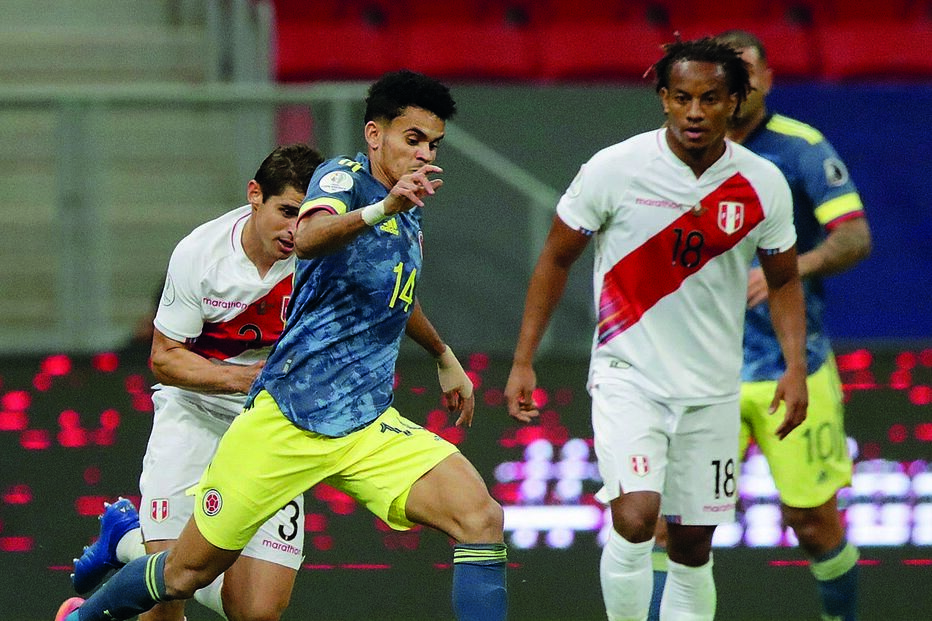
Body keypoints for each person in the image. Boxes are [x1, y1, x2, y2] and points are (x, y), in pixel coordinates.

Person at [55, 69, 507, 621]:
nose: (423, 154)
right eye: (412, 139)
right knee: (182, 574)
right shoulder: (343, 180)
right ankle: (91, 605)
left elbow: (391, 294)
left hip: (363, 425)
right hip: (285, 420)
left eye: (432, 145)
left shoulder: (405, 212)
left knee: (480, 517)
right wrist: (383, 207)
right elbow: (313, 239)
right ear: (374, 135)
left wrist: (444, 357)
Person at [505, 37, 808, 621]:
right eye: (682, 97)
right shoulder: (614, 168)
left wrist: (795, 367)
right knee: (637, 515)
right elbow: (556, 257)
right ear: (664, 100)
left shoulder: (763, 183)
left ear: (735, 102)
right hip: (629, 377)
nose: (695, 112)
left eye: (711, 98)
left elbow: (786, 280)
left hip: (713, 389)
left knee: (694, 545)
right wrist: (524, 358)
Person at [646, 30, 872, 621]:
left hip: (790, 364)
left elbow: (854, 237)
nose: (735, 86)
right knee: (675, 528)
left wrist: (788, 267)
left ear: (764, 80)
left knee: (812, 521)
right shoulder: (666, 156)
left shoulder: (799, 149)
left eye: (746, 73)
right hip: (699, 373)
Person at [65, 143, 324, 621]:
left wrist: (441, 356)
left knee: (257, 613)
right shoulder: (200, 254)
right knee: (165, 598)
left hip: (272, 431)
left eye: (306, 217)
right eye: (286, 212)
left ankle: (126, 540)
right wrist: (244, 379)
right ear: (254, 196)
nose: (295, 230)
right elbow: (164, 360)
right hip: (193, 414)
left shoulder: (323, 257)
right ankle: (131, 543)